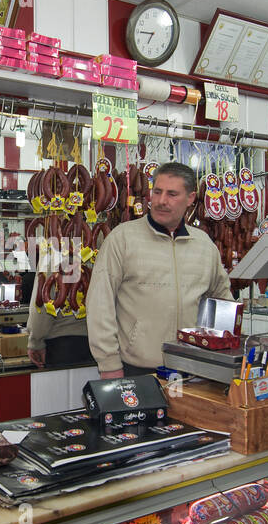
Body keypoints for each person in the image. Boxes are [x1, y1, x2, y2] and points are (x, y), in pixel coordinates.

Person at [86, 161, 232, 379]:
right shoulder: (122, 238)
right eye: (157, 192)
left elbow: (222, 301)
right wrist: (108, 364)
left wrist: (225, 353)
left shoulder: (204, 245)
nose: (162, 201)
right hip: (137, 370)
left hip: (194, 370)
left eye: (172, 194)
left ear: (190, 198)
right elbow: (99, 304)